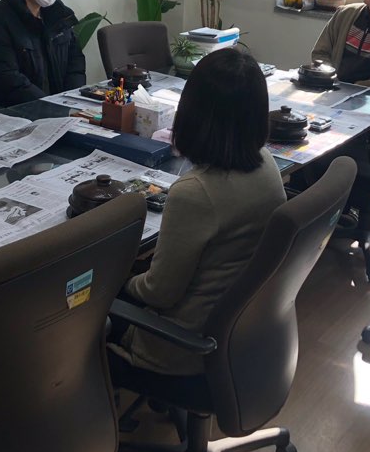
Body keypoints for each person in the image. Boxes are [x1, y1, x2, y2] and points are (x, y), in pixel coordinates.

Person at [109, 48, 286, 376]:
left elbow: (158, 293)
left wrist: (118, 280)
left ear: (192, 112)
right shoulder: (266, 162)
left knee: (81, 297)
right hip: (239, 335)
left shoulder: (195, 193)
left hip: (178, 346)